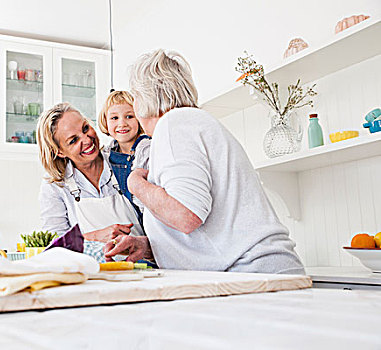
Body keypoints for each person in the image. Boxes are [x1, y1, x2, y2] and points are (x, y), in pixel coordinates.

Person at [105, 49, 305, 275]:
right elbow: (204, 225)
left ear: (145, 98)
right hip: (257, 272)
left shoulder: (174, 124)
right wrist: (149, 247)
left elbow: (186, 215)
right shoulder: (188, 124)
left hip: (252, 273)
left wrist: (136, 184)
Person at [37, 102, 144, 262]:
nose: (87, 140)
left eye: (85, 128)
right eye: (73, 140)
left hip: (145, 269)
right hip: (92, 276)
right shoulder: (55, 187)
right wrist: (96, 236)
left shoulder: (123, 162)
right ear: (59, 151)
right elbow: (54, 249)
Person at [98, 90, 151, 219]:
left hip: (147, 218)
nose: (122, 123)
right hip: (121, 221)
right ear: (105, 121)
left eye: (129, 116)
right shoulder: (106, 153)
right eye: (114, 118)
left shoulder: (146, 149)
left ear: (139, 118)